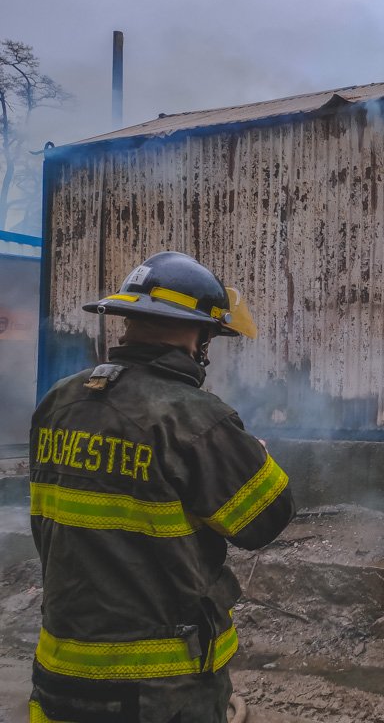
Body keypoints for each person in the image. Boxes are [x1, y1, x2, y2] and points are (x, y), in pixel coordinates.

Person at [28, 251, 295, 723]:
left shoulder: (59, 402)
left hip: (58, 673)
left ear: (128, 319)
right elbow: (265, 521)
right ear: (202, 335)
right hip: (159, 690)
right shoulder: (194, 418)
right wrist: (252, 451)